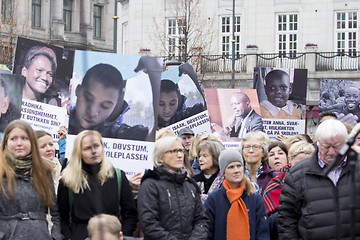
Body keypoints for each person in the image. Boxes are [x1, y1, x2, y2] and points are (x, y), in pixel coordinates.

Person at [278, 119, 360, 239]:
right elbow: (287, 218)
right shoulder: (298, 174)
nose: (331, 152)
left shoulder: (357, 167)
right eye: (326, 146)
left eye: (336, 146)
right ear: (318, 143)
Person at [57, 130, 138, 240]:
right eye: (87, 148)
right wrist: (69, 237)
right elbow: (62, 218)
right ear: (79, 152)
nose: (94, 151)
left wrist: (121, 236)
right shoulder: (67, 181)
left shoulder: (118, 176)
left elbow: (130, 215)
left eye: (96, 146)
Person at [137, 136, 209, 239]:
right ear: (160, 157)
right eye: (174, 151)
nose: (180, 155)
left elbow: (201, 220)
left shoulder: (190, 186)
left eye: (181, 150)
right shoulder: (150, 185)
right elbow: (149, 224)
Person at [0, 119, 61, 240]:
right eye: (13, 139)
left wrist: (55, 236)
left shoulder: (44, 171)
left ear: (32, 142)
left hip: (39, 235)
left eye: (24, 138)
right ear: (6, 142)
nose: (19, 143)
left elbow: (54, 212)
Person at [68, 63, 150, 140]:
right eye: (88, 99)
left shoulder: (112, 135)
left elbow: (150, 135)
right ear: (77, 90)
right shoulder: (63, 116)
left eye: (105, 106)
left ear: (114, 107)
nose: (92, 112)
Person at [204, 149, 270, 240]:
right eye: (231, 167)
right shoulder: (214, 199)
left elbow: (262, 233)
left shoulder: (254, 198)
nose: (236, 170)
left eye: (239, 166)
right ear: (223, 172)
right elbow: (207, 233)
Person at [240, 131, 278, 195]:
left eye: (255, 147)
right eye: (247, 147)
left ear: (263, 152)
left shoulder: (273, 176)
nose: (251, 150)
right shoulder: (236, 174)